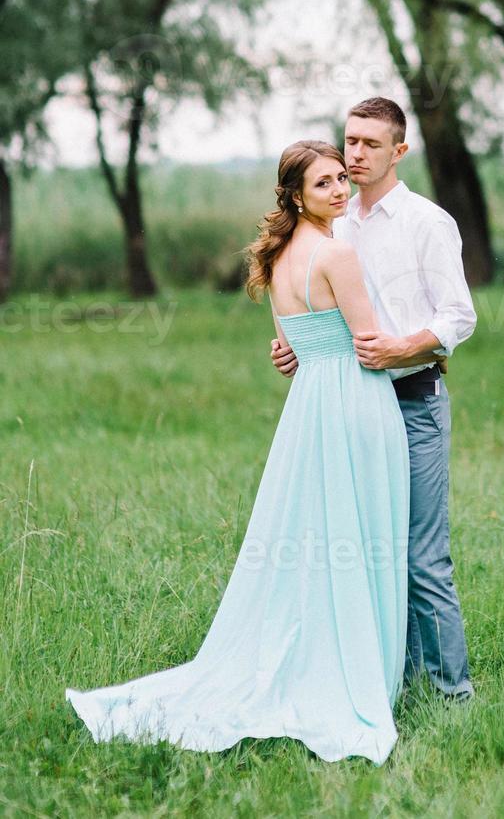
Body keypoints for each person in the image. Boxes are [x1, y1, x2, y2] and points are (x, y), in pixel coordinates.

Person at [66, 140, 411, 765]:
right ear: (296, 196)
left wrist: (296, 355)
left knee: (319, 534)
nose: (338, 191)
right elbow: (369, 346)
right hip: (356, 402)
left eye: (341, 179)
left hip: (309, 405)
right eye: (324, 184)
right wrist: (430, 350)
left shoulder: (278, 258)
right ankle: (359, 675)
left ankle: (325, 653)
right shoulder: (337, 252)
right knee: (361, 534)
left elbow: (293, 347)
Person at [272, 97, 477, 701]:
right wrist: (296, 349)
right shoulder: (336, 222)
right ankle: (392, 684)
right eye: (350, 141)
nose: (355, 154)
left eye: (369, 144)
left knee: (421, 557)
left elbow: (458, 317)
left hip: (412, 402)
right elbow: (319, 305)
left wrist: (400, 348)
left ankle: (451, 694)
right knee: (365, 553)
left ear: (399, 151)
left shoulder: (426, 223)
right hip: (351, 410)